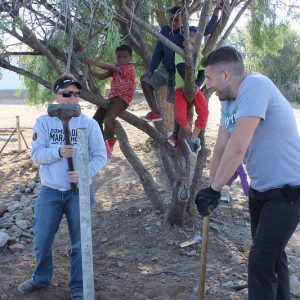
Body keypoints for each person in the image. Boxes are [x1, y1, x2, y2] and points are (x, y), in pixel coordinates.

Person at [194, 46, 300, 299]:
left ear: (226, 74)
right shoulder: (229, 103)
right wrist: (212, 190)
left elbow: (237, 147)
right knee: (273, 258)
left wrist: (215, 189)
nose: (207, 86)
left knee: (261, 263)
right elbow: (220, 148)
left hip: (287, 193)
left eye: (208, 78)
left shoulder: (255, 86)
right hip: (261, 192)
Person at [17, 74, 107, 300]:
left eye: (76, 93)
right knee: (42, 238)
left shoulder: (89, 124)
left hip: (79, 193)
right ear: (56, 95)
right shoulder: (44, 122)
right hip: (51, 191)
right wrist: (57, 152)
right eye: (67, 93)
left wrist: (84, 174)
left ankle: (79, 289)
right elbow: (36, 154)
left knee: (79, 242)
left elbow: (100, 156)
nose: (72, 98)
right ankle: (41, 278)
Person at [140, 4, 221, 122]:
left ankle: (180, 134)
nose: (173, 22)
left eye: (176, 20)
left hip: (181, 75)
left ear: (183, 21)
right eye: (171, 19)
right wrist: (151, 69)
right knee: (145, 81)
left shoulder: (188, 32)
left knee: (181, 107)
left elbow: (207, 29)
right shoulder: (164, 31)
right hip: (165, 71)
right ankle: (156, 113)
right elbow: (158, 52)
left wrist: (216, 11)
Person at [85, 44, 135, 157]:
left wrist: (92, 62)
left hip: (122, 99)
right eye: (119, 57)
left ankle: (111, 141)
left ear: (130, 58)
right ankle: (102, 142)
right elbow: (102, 76)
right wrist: (90, 71)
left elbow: (111, 68)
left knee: (108, 120)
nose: (122, 59)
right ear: (116, 58)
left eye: (125, 57)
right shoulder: (116, 68)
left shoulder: (128, 68)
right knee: (95, 120)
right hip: (112, 99)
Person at [167, 29, 209, 157]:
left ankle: (192, 139)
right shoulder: (180, 53)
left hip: (195, 89)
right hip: (181, 88)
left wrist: (197, 85)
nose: (187, 42)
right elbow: (181, 70)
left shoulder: (200, 56)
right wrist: (190, 85)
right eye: (185, 39)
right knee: (180, 115)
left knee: (204, 112)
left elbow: (202, 73)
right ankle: (192, 138)